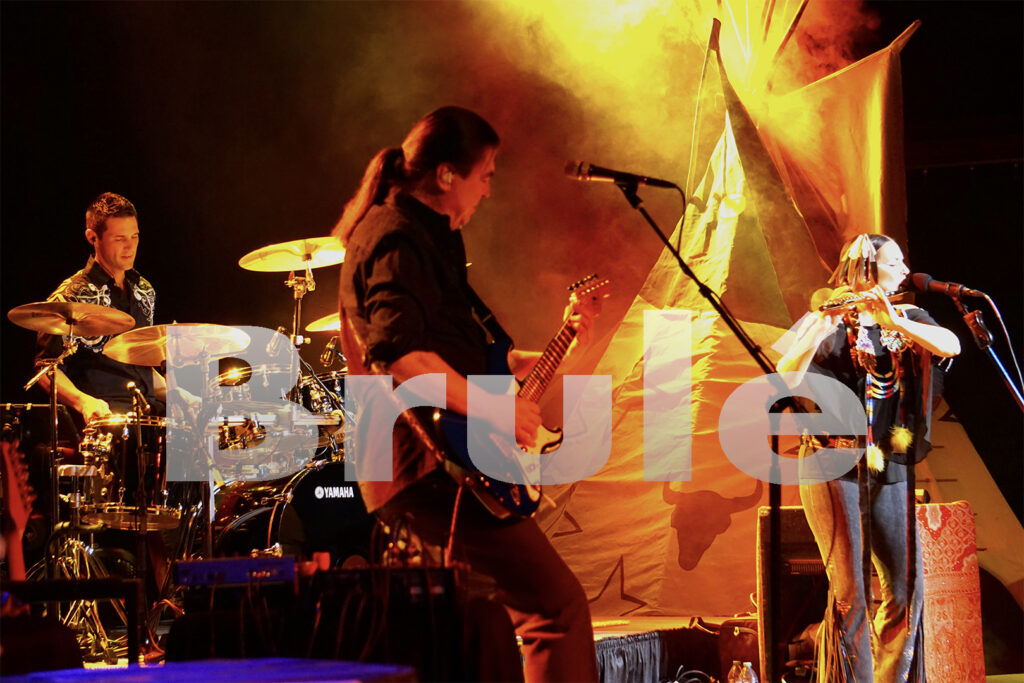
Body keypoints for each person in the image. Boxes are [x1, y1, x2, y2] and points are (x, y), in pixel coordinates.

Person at [335, 106, 599, 682]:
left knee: (474, 628)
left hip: (440, 459)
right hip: (424, 461)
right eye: (485, 175)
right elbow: (402, 357)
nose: (488, 191)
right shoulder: (395, 236)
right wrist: (496, 409)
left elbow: (464, 353)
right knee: (554, 607)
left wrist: (553, 349)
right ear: (446, 174)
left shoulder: (431, 237)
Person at [778, 233, 961, 682]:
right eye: (894, 262)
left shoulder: (906, 315)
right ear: (865, 267)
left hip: (887, 463)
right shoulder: (825, 318)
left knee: (905, 588)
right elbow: (785, 376)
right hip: (830, 461)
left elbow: (950, 345)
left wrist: (893, 321)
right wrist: (822, 325)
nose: (904, 270)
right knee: (850, 594)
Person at [36, 192, 165, 422]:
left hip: (149, 414)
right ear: (92, 237)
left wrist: (179, 394)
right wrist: (84, 402)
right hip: (106, 418)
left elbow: (137, 366)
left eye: (134, 236)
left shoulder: (145, 290)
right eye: (119, 238)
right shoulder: (70, 297)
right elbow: (46, 371)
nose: (130, 246)